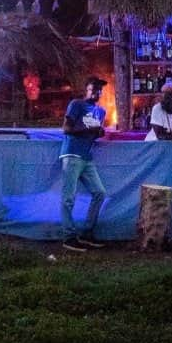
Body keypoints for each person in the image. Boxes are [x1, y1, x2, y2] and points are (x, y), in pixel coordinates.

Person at [59, 76, 108, 250]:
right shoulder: (76, 104)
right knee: (68, 198)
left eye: (100, 89)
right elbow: (66, 129)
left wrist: (98, 132)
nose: (97, 92)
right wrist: (89, 129)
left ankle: (87, 232)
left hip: (87, 157)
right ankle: (69, 237)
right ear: (86, 89)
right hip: (72, 154)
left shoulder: (101, 112)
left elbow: (93, 134)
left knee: (100, 193)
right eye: (94, 88)